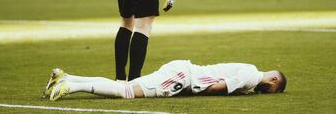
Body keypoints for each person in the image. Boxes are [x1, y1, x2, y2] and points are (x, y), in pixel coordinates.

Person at [44, 60, 287, 101]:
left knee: (124, 87)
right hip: (182, 78)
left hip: (181, 71)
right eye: (272, 90)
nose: (267, 93)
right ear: (274, 78)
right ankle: (70, 86)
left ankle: (66, 78)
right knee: (125, 92)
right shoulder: (251, 76)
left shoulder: (250, 72)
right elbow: (217, 88)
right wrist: (194, 92)